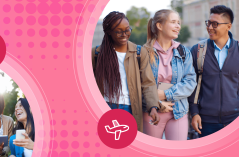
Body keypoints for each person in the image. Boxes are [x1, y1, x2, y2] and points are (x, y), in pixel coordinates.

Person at [91, 11, 160, 132]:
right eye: (118, 31)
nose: (124, 34)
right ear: (108, 32)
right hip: (103, 107)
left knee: (129, 146)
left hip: (130, 108)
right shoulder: (96, 53)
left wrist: (153, 106)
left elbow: (148, 83)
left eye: (127, 30)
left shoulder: (139, 52)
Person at [142, 9, 197, 140]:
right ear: (159, 26)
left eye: (179, 22)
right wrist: (156, 99)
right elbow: (137, 86)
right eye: (173, 22)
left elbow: (190, 81)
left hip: (178, 112)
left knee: (177, 153)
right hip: (152, 112)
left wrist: (166, 94)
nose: (178, 26)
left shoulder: (184, 52)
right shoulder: (143, 53)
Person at [188, 5, 239, 138]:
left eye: (215, 24)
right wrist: (194, 113)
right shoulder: (198, 51)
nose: (209, 27)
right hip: (206, 121)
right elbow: (191, 84)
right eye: (208, 23)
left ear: (228, 26)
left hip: (234, 119)